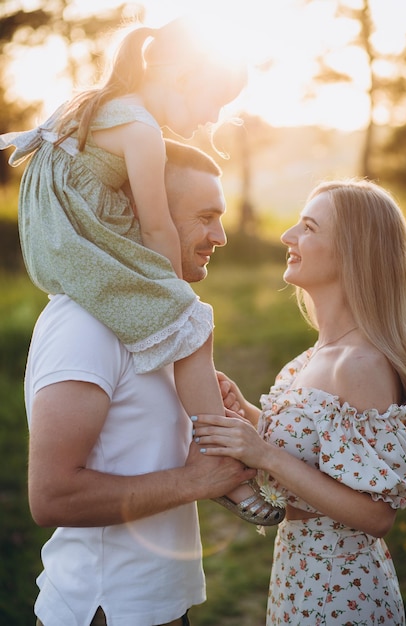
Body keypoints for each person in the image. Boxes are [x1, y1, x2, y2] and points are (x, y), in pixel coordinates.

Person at [0, 17, 279, 522]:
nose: (208, 119)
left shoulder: (95, 101)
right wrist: (176, 299)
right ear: (181, 79)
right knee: (190, 325)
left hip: (55, 234)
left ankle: (207, 435)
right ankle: (218, 455)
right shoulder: (142, 129)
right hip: (83, 241)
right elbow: (156, 229)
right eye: (211, 102)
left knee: (178, 325)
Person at [25, 139, 259, 626]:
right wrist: (195, 480)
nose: (220, 235)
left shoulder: (155, 324)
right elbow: (52, 495)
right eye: (204, 216)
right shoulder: (85, 324)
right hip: (104, 609)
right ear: (147, 216)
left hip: (160, 605)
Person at [192, 179, 406, 625]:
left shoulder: (360, 363)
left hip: (339, 589)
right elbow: (318, 452)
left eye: (309, 227)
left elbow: (375, 515)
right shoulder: (319, 353)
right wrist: (249, 417)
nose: (287, 236)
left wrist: (262, 453)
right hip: (300, 576)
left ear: (353, 252)